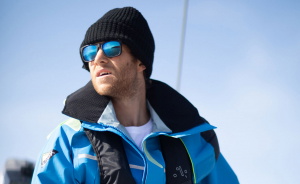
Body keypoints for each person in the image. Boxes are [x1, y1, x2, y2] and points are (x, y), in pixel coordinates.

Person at [31, 7, 239, 184]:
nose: (98, 58)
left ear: (141, 62)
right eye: (90, 52)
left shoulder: (195, 139)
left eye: (112, 48)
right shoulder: (69, 139)